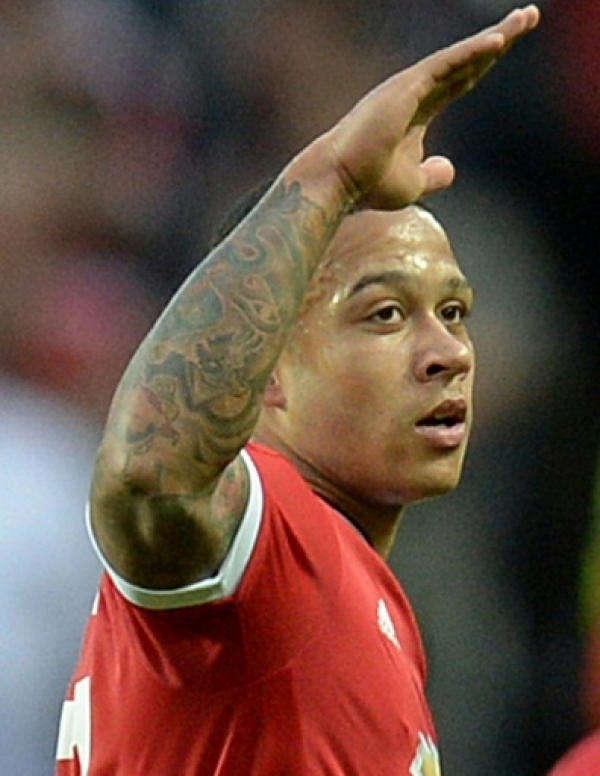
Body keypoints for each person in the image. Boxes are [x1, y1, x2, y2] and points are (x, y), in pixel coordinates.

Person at [55, 6, 541, 774]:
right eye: (384, 315)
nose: (446, 352)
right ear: (265, 370)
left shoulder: (360, 587)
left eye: (453, 312)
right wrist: (330, 179)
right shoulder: (270, 544)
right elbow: (149, 479)